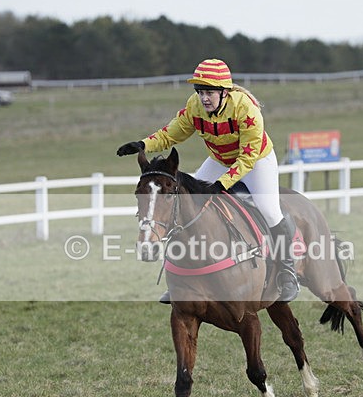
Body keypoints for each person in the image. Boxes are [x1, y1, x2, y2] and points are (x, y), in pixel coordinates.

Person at [117, 58, 300, 303]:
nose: (204, 98)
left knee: (269, 210)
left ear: (224, 92)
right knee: (183, 201)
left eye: (209, 92)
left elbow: (247, 157)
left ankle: (288, 273)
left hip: (256, 161)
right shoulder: (194, 106)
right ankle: (181, 278)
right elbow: (173, 133)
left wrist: (221, 184)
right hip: (220, 159)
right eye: (200, 92)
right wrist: (143, 144)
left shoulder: (246, 109)